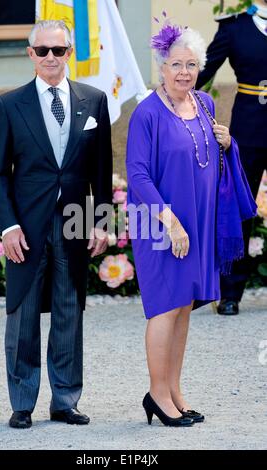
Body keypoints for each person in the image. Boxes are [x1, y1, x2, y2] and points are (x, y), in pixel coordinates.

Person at [126, 18, 256, 427]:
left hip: (197, 222)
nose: (184, 72)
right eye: (176, 64)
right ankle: (157, 394)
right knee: (164, 307)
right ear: (162, 67)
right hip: (163, 223)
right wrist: (169, 221)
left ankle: (174, 393)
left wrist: (226, 142)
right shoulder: (147, 113)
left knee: (184, 308)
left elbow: (212, 159)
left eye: (192, 64)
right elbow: (138, 174)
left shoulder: (204, 104)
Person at [0, 20, 112, 429]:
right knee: (22, 315)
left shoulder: (93, 101)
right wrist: (8, 227)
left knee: (68, 310)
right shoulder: (8, 105)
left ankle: (65, 400)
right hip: (26, 226)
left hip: (74, 224)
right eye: (42, 51)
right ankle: (22, 402)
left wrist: (102, 221)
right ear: (30, 54)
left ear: (69, 54)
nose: (50, 58)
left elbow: (101, 168)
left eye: (58, 51)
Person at [196, 1, 267, 315]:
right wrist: (167, 97)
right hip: (250, 125)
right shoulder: (233, 26)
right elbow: (202, 70)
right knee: (241, 204)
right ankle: (230, 293)